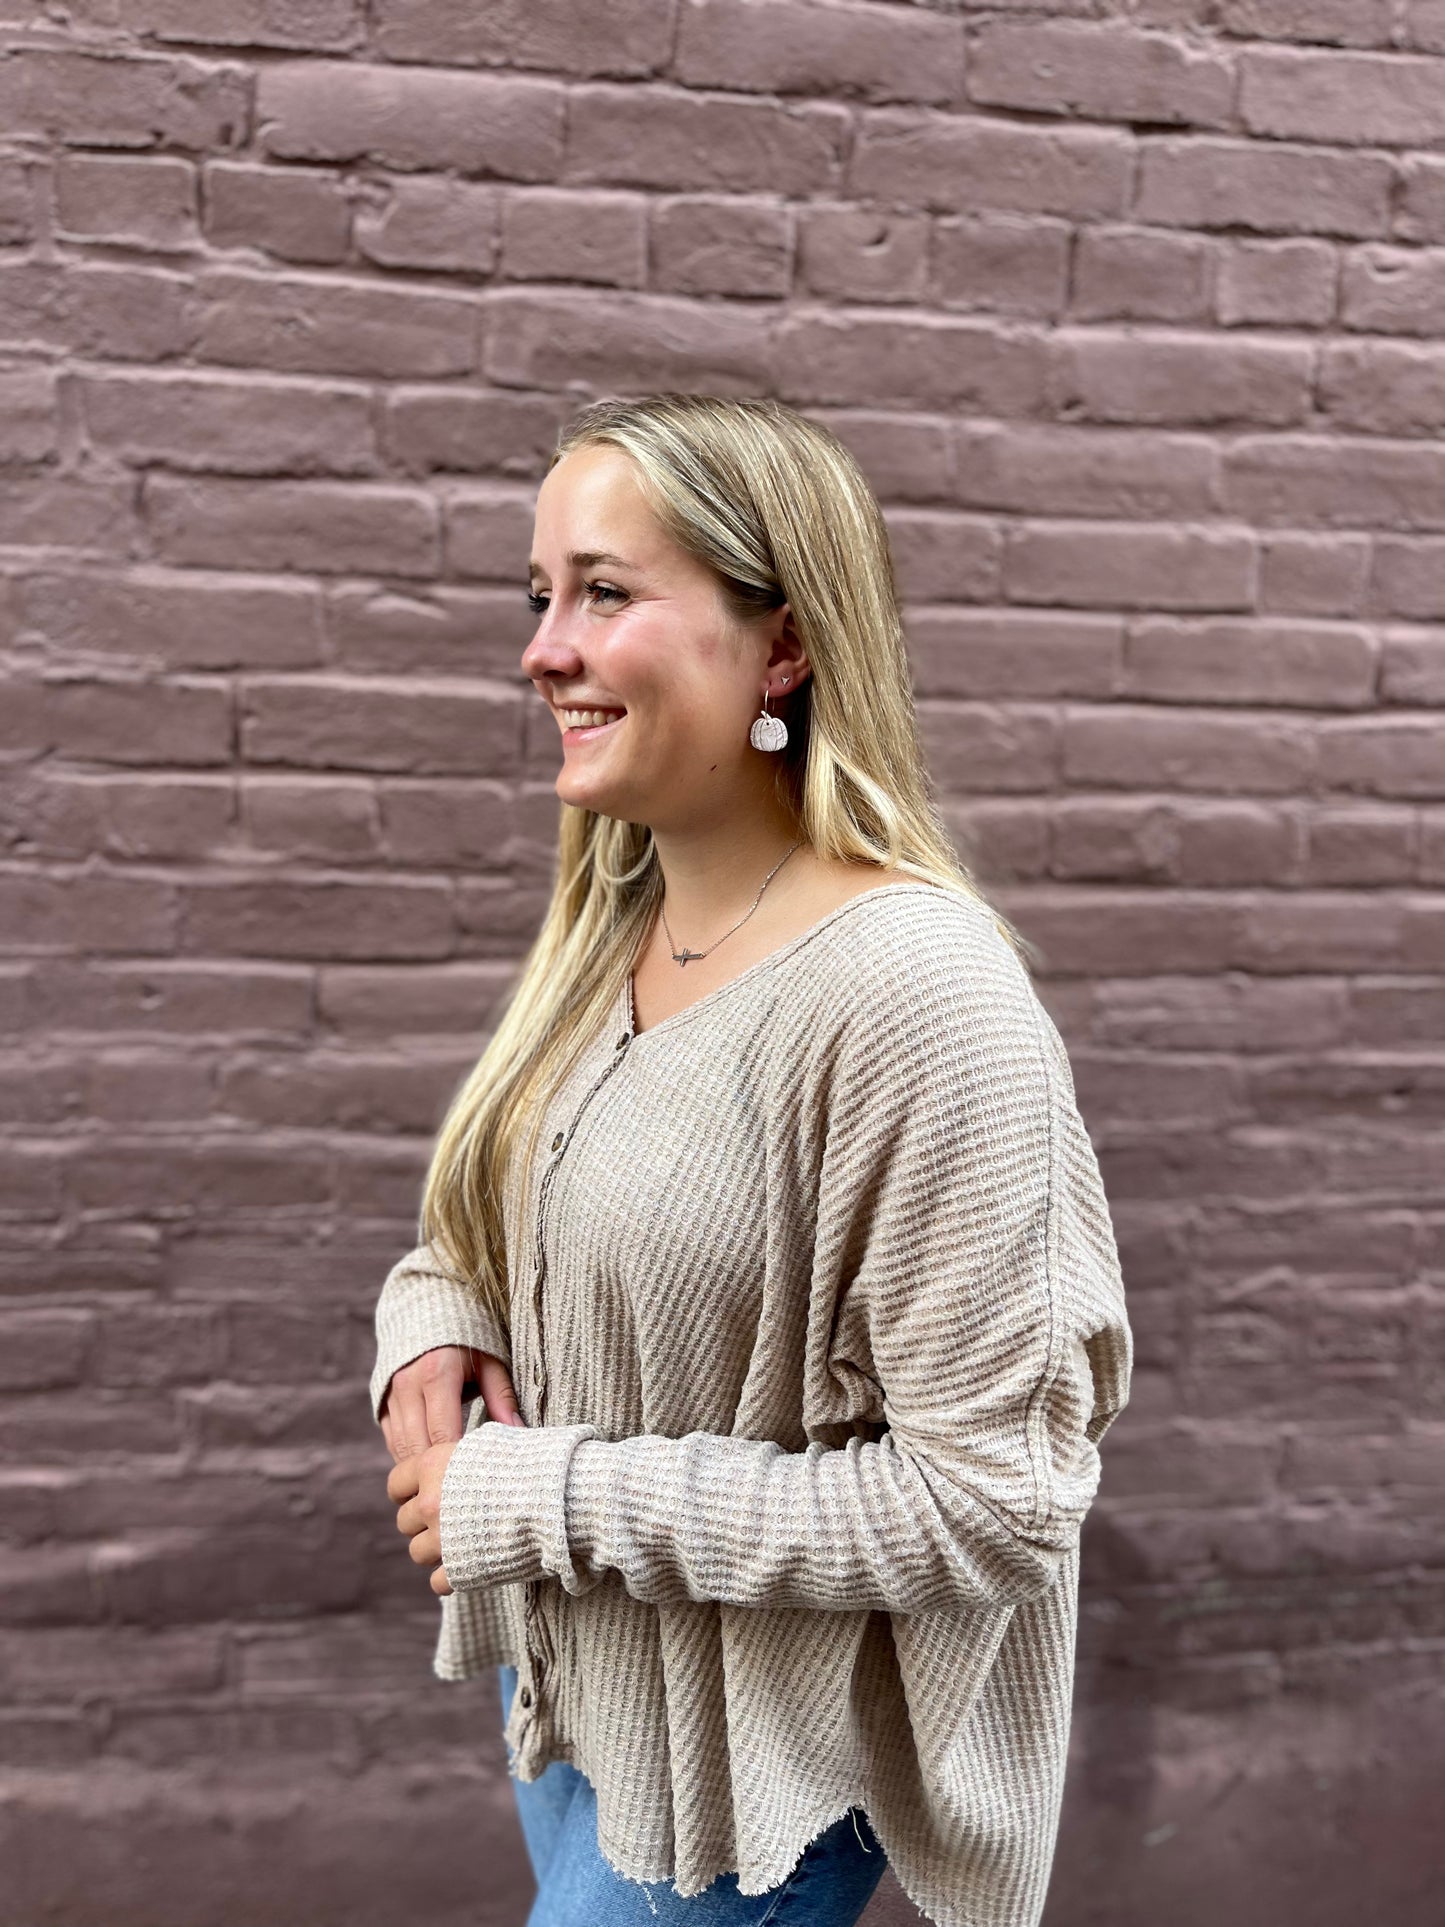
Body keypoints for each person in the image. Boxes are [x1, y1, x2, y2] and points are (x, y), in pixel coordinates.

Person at [375, 393, 1132, 1927]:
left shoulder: (919, 996)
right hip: (581, 1700)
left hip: (752, 1786)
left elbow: (990, 1505)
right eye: (540, 598)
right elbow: (495, 1229)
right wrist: (428, 1331)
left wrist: (542, 1499)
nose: (542, 651)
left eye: (603, 591)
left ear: (779, 645)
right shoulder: (615, 929)